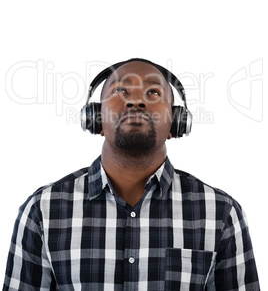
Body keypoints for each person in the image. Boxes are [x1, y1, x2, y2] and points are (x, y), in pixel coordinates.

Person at [3, 58, 260, 290]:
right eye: (120, 90)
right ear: (94, 119)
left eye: (153, 92)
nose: (136, 101)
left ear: (176, 123)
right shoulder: (42, 210)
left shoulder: (221, 213)